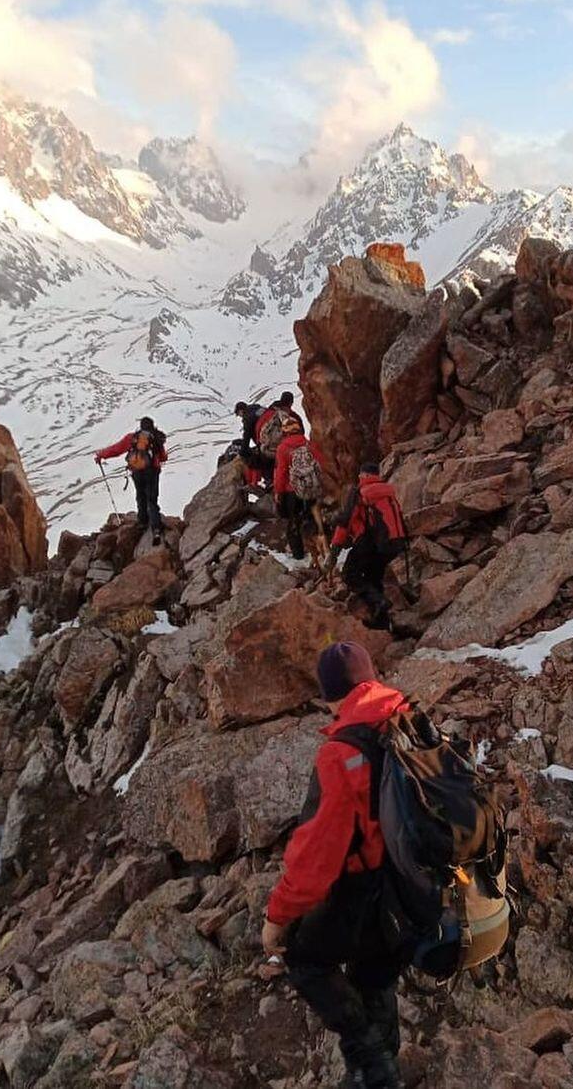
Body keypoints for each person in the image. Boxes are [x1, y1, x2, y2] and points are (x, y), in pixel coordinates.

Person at [262, 642, 411, 1089]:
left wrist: (278, 918)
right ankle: (383, 1066)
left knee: (305, 959)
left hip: (369, 890)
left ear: (329, 696)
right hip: (412, 885)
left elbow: (316, 855)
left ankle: (373, 1064)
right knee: (373, 971)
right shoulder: (405, 717)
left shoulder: (341, 753)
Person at [325, 464, 407, 630]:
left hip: (367, 541)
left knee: (349, 574)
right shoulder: (387, 491)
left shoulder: (359, 493)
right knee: (374, 579)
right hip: (390, 543)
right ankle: (382, 624)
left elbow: (345, 523)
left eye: (360, 475)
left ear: (363, 475)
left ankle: (379, 602)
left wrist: (334, 551)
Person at [94, 417, 168, 544]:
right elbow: (163, 457)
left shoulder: (132, 438)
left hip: (137, 472)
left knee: (140, 496)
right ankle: (156, 529)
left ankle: (142, 522)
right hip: (152, 473)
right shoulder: (155, 438)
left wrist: (101, 455)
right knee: (152, 499)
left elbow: (116, 449)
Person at [273, 415, 324, 560]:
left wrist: (278, 492)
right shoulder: (309, 444)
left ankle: (298, 555)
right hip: (312, 488)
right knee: (314, 518)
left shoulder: (283, 448)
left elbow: (281, 473)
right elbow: (320, 463)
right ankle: (321, 548)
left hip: (292, 492)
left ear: (285, 432)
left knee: (294, 523)